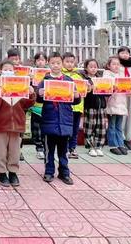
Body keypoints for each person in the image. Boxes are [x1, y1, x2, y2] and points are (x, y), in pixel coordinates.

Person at [36, 52, 81, 185]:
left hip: (65, 120)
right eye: (53, 63)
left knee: (63, 149)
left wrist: (77, 96)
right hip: (49, 119)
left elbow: (75, 102)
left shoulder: (68, 80)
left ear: (62, 64)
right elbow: (39, 99)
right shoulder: (45, 81)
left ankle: (64, 172)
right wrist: (40, 94)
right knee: (49, 149)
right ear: (48, 64)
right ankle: (49, 172)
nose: (56, 66)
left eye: (58, 63)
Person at [0, 59, 35, 187]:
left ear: (14, 72)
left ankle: (13, 172)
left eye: (10, 70)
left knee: (15, 151)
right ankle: (2, 173)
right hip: (1, 124)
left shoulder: (20, 85)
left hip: (17, 124)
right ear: (0, 72)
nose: (8, 72)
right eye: (5, 69)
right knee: (0, 150)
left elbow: (27, 104)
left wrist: (31, 94)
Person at [104, 56, 128, 156]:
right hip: (112, 103)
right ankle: (113, 145)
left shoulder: (122, 76)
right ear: (109, 66)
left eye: (118, 64)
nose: (116, 66)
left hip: (121, 104)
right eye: (113, 64)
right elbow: (106, 88)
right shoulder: (107, 75)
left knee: (119, 126)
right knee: (112, 125)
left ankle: (120, 144)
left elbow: (128, 91)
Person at [82, 58, 106, 157]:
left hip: (102, 107)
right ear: (86, 68)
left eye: (95, 67)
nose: (93, 69)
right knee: (89, 127)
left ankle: (99, 146)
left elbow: (107, 93)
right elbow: (82, 92)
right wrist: (88, 88)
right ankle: (90, 147)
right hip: (90, 106)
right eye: (91, 67)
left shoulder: (101, 79)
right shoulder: (84, 79)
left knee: (101, 127)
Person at [62, 52, 84, 159]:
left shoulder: (80, 75)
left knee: (75, 130)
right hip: (65, 107)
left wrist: (88, 87)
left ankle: (72, 148)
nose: (70, 64)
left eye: (72, 62)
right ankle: (64, 148)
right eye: (67, 62)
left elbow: (87, 87)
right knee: (66, 129)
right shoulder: (61, 75)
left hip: (78, 107)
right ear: (62, 62)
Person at [118, 46, 131, 151]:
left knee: (130, 116)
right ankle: (120, 138)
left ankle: (127, 139)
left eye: (127, 53)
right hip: (121, 95)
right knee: (122, 116)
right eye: (122, 53)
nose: (125, 54)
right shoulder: (117, 65)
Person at [30, 52, 48, 159]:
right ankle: (38, 148)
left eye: (42, 60)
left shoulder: (49, 74)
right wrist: (31, 79)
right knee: (35, 128)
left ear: (46, 61)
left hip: (46, 106)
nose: (40, 62)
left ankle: (45, 147)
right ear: (35, 62)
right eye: (38, 60)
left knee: (45, 127)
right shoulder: (32, 73)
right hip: (35, 105)